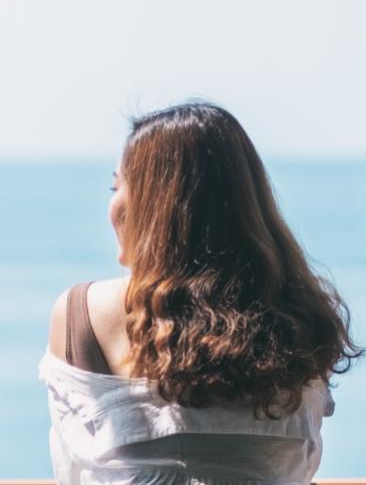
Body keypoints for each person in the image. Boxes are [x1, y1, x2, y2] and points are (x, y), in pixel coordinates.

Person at [38, 101, 363, 485]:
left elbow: (73, 469)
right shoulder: (299, 316)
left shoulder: (85, 313)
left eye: (118, 186)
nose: (113, 205)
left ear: (154, 206)